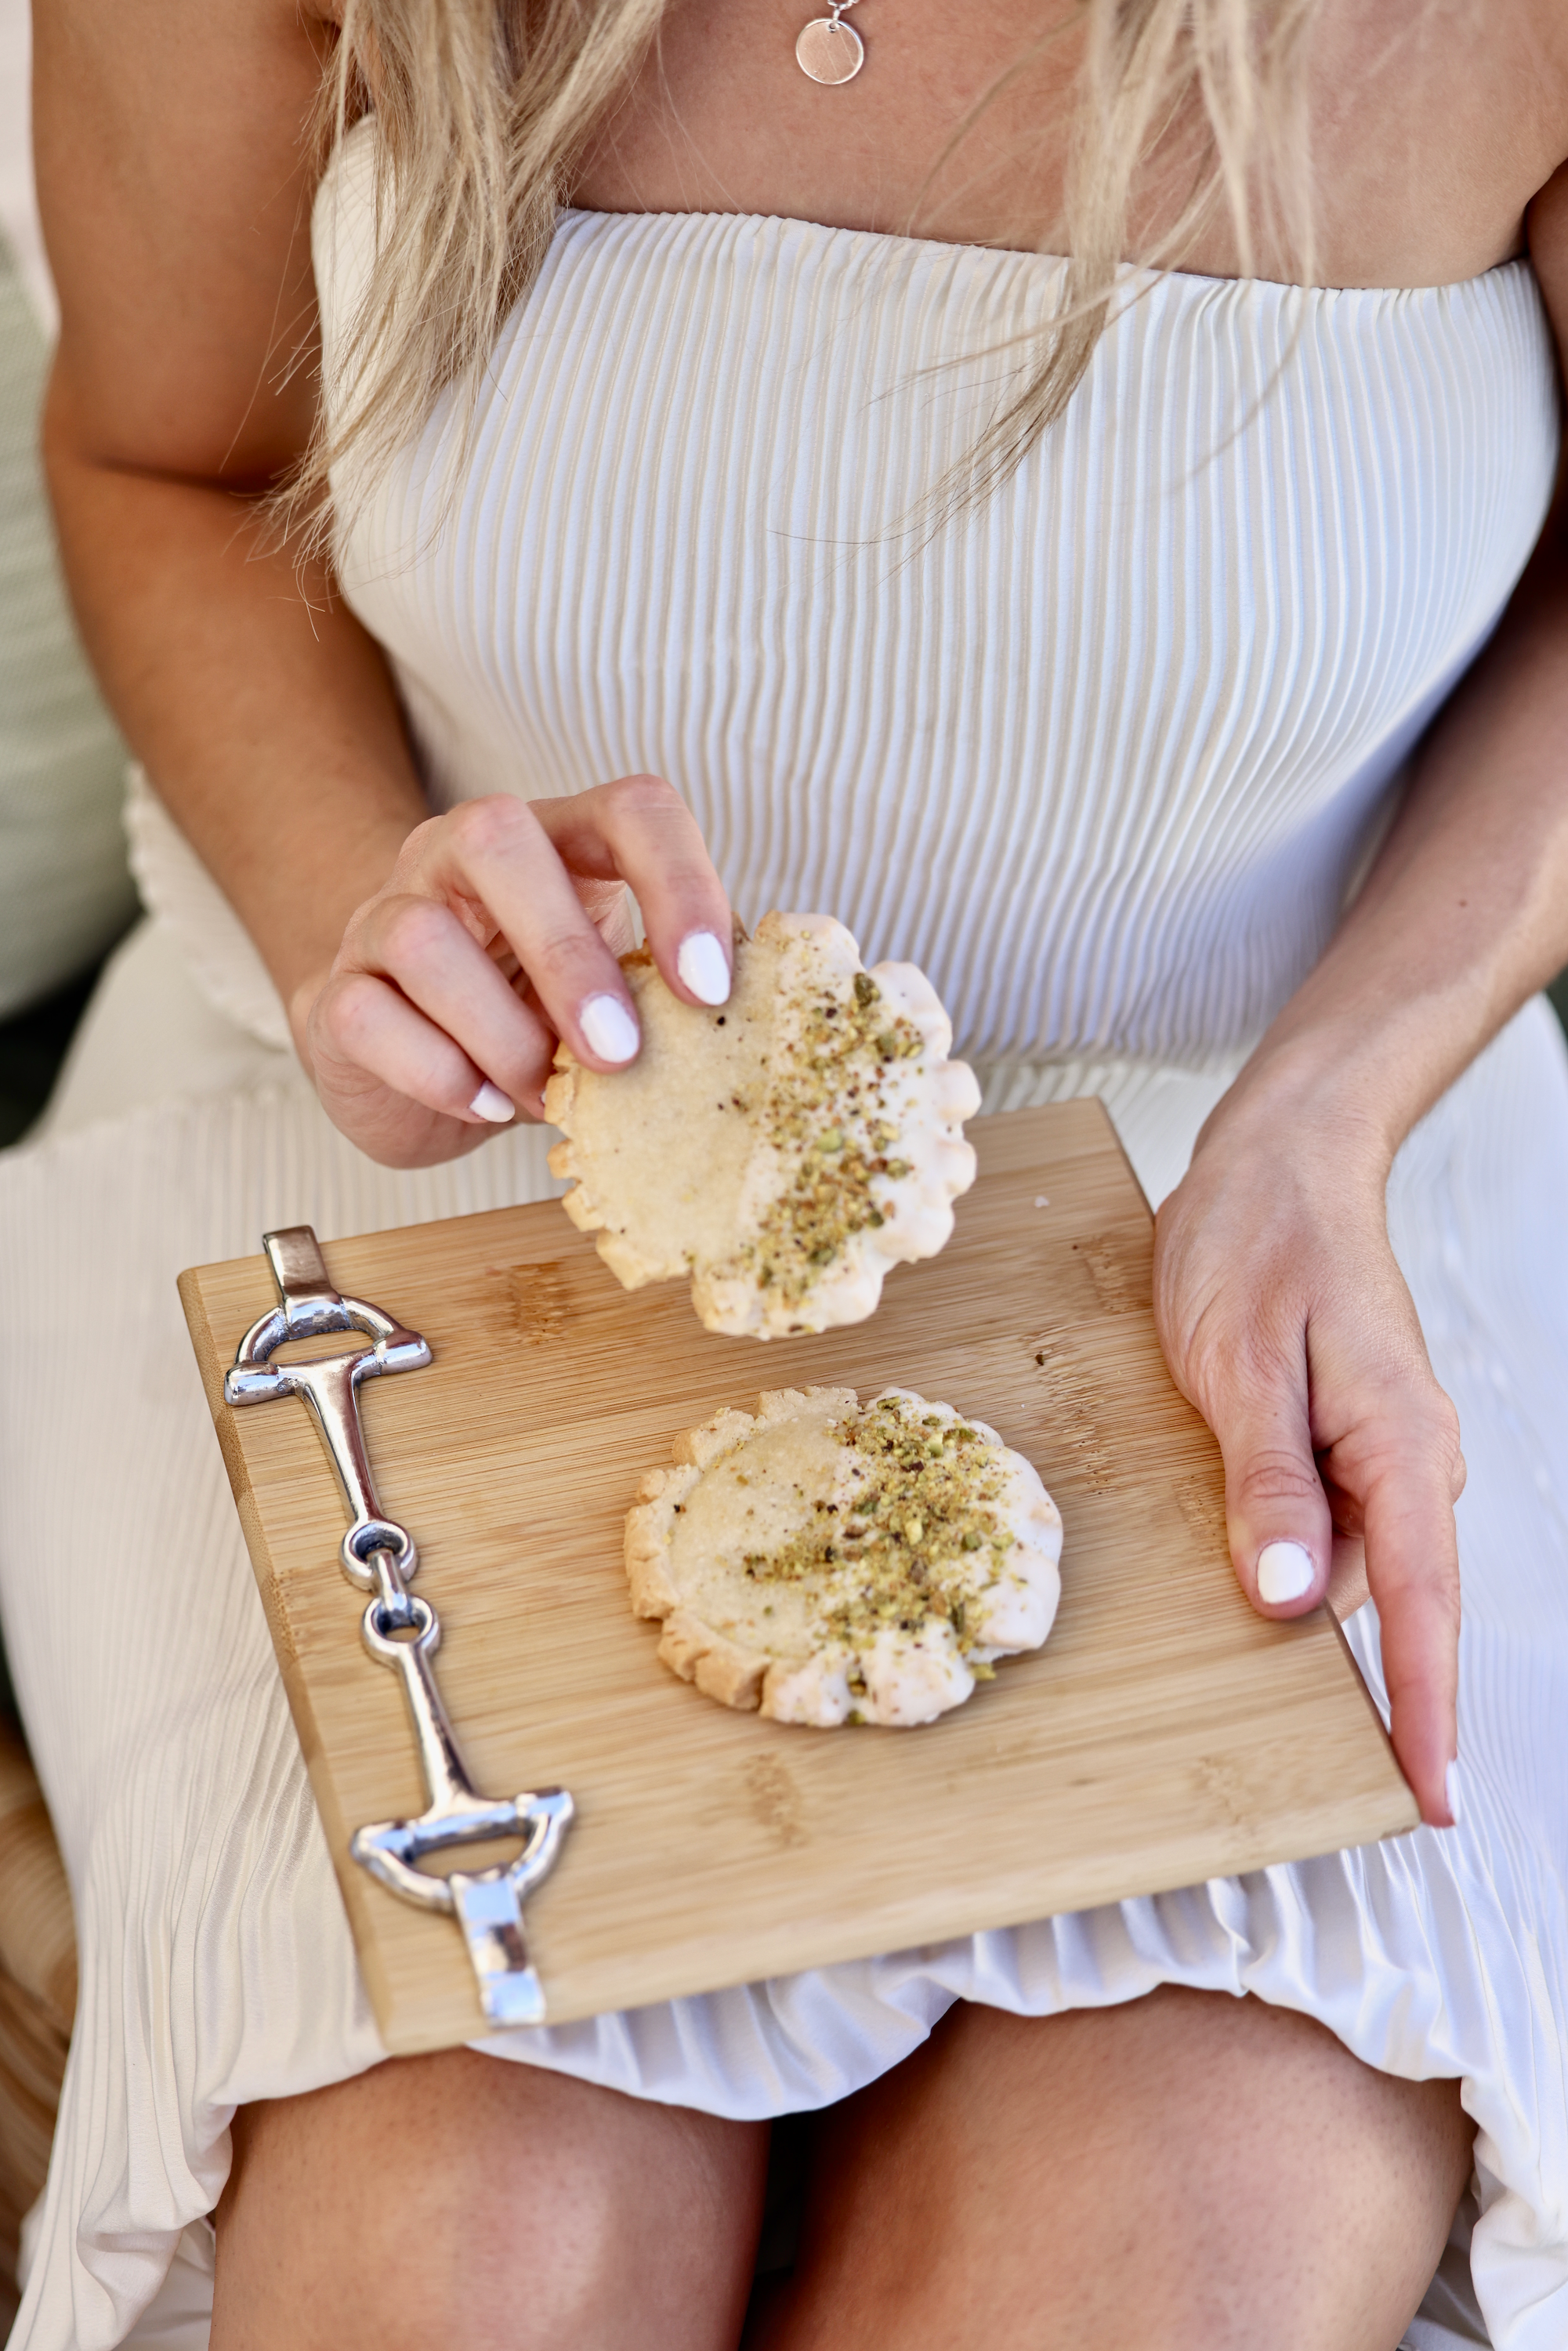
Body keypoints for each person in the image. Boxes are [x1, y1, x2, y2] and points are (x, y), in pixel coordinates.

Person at [5, 0, 1567, 2341]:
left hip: (1293, 1159)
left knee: (1172, 2265)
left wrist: (1338, 1100)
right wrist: (367, 903)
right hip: (416, 1163)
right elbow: (170, 462)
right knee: (460, 2275)